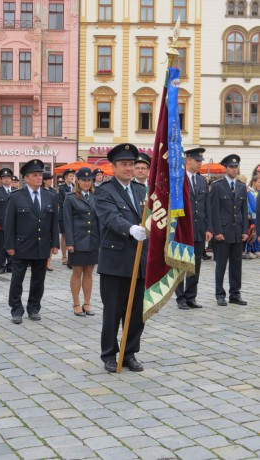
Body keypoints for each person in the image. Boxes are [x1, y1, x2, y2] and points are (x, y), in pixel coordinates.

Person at [95, 143, 148, 373]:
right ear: (113, 167)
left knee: (137, 312)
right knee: (113, 311)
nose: (129, 168)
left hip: (140, 260)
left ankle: (129, 353)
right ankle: (109, 354)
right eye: (124, 164)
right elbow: (110, 218)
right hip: (115, 261)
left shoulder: (141, 191)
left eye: (132, 164)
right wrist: (130, 228)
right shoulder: (104, 192)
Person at [4, 159, 59, 324]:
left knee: (38, 280)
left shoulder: (50, 196)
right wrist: (9, 245)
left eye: (40, 175)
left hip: (42, 245)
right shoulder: (16, 197)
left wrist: (55, 243)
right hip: (22, 245)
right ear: (25, 178)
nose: (39, 178)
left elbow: (54, 221)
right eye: (35, 175)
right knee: (17, 279)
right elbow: (9, 223)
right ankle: (16, 310)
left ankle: (34, 308)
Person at [175, 148, 213, 310]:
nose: (199, 163)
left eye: (200, 161)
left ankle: (191, 296)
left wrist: (208, 227)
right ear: (187, 160)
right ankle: (180, 297)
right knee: (181, 264)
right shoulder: (178, 180)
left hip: (198, 228)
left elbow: (206, 206)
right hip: (182, 229)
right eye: (197, 160)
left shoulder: (203, 181)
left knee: (195, 264)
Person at [210, 154, 249, 306]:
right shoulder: (218, 186)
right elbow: (214, 211)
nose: (234, 169)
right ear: (225, 168)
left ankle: (235, 294)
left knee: (236, 265)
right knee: (221, 264)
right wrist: (217, 231)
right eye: (231, 167)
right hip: (223, 232)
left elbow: (244, 211)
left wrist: (245, 230)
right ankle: (220, 294)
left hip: (238, 232)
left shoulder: (241, 186)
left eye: (236, 167)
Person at [63, 167, 100, 316]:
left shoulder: (96, 196)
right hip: (78, 240)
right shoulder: (70, 197)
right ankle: (76, 303)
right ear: (77, 181)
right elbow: (67, 222)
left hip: (92, 240)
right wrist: (69, 243)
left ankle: (87, 302)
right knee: (77, 272)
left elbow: (99, 220)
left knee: (89, 272)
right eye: (83, 180)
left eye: (89, 180)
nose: (86, 182)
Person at [0, 168, 14, 274]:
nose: (6, 179)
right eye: (4, 178)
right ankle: (1, 265)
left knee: (12, 244)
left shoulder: (15, 191)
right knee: (1, 247)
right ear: (1, 180)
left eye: (8, 177)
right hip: (1, 224)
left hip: (13, 224)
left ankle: (10, 265)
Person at [58, 168, 75, 265]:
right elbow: (60, 202)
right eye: (70, 176)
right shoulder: (61, 188)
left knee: (72, 235)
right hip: (64, 215)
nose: (72, 177)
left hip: (74, 215)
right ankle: (64, 256)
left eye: (73, 176)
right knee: (64, 235)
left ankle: (71, 256)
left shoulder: (75, 186)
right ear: (65, 177)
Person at [42, 171, 58, 271]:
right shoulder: (39, 190)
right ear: (45, 180)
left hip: (51, 217)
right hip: (42, 218)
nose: (51, 181)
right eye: (49, 180)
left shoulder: (52, 191)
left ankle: (48, 262)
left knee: (50, 241)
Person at [245, 174, 260, 259]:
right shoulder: (250, 192)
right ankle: (249, 250)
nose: (259, 183)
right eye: (258, 182)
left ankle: (257, 249)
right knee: (252, 234)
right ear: (254, 182)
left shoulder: (257, 191)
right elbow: (252, 205)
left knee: (257, 233)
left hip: (257, 215)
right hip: (253, 215)